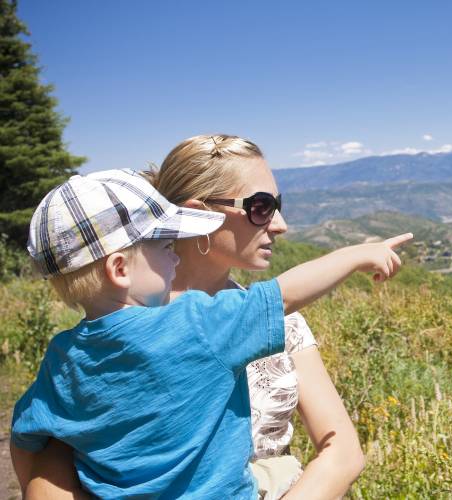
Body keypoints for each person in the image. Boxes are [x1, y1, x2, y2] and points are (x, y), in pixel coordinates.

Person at [10, 168, 412, 497]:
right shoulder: (197, 322)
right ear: (119, 269)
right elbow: (284, 294)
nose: (173, 250)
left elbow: (26, 438)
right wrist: (355, 254)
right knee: (285, 471)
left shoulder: (63, 356)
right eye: (164, 244)